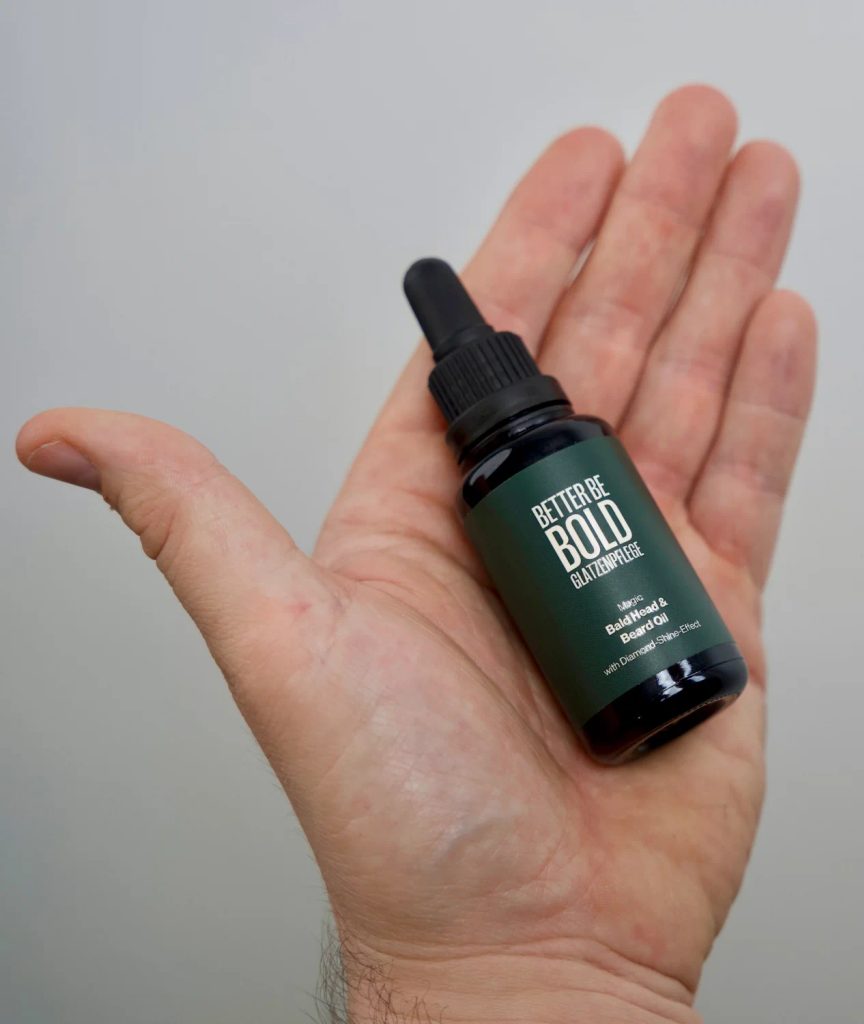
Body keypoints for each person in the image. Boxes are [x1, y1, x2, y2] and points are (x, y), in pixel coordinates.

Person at [16, 85, 816, 1022]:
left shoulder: (581, 439)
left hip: (683, 676)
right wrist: (499, 969)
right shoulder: (482, 491)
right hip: (582, 788)